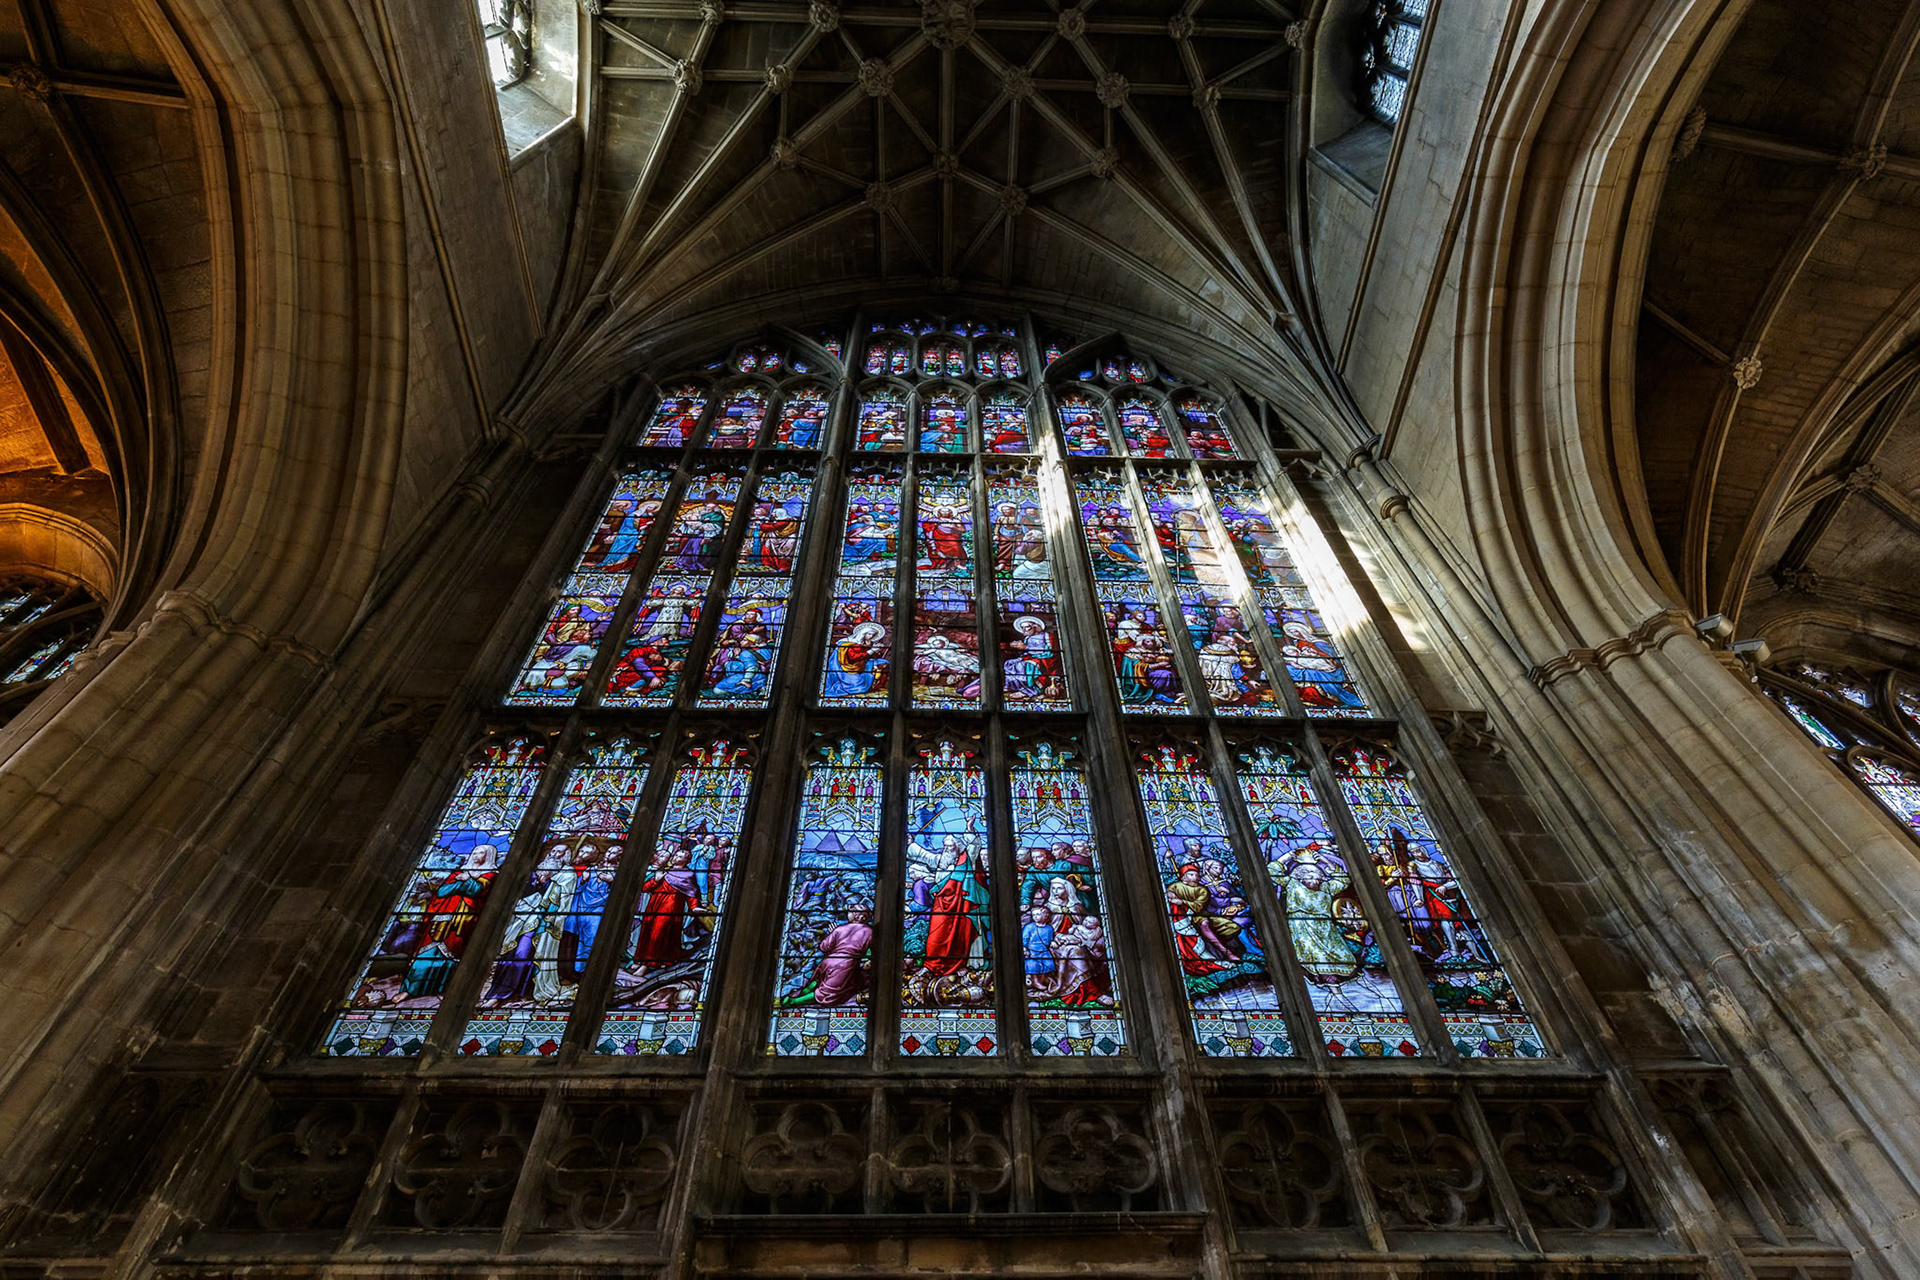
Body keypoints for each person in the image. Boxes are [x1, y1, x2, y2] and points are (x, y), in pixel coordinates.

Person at [403, 845, 500, 997]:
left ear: (489, 856)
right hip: (442, 916)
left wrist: (466, 881)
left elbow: (476, 891)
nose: (475, 855)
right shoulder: (458, 872)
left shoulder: (490, 875)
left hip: (463, 920)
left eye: (480, 852)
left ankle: (446, 990)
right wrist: (463, 883)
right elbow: (442, 892)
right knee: (426, 952)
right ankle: (411, 990)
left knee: (453, 953)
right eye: (474, 852)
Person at [1275, 849, 1361, 982]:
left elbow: (1343, 880)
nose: (1314, 879)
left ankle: (1344, 976)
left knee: (1339, 952)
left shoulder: (1326, 887)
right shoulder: (1292, 884)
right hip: (1303, 925)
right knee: (1315, 953)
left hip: (1325, 926)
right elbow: (1273, 872)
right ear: (1300, 877)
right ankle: (1324, 977)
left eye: (1316, 876)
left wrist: (1326, 861)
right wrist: (1286, 857)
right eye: (1309, 876)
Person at [811, 908, 873, 1005]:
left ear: (855, 915)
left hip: (830, 960)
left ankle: (794, 998)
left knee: (819, 982)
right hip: (846, 964)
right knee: (828, 995)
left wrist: (833, 933)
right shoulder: (869, 932)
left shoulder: (839, 929)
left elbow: (824, 947)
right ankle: (794, 1001)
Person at [823, 619, 888, 699]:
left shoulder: (867, 643)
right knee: (859, 687)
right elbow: (853, 658)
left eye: (873, 635)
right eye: (869, 634)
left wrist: (877, 651)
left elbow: (869, 657)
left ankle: (879, 686)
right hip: (845, 670)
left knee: (885, 663)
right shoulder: (848, 643)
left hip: (862, 666)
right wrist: (871, 651)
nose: (871, 637)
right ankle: (839, 686)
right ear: (863, 633)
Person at [1023, 906, 1058, 995]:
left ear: (1046, 916)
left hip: (1044, 951)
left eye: (1038, 914)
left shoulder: (1049, 928)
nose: (1035, 916)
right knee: (1033, 965)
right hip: (1032, 951)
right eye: (1033, 915)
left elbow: (1050, 939)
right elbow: (1024, 939)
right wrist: (1025, 948)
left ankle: (1041, 980)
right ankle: (1035, 981)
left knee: (1047, 964)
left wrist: (1053, 943)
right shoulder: (1029, 927)